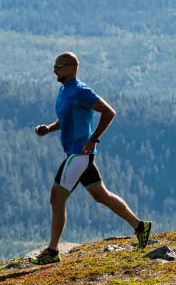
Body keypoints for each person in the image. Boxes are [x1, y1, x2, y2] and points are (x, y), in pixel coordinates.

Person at [29, 52, 152, 265]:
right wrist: (48, 129)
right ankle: (140, 226)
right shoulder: (64, 90)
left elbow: (109, 112)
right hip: (78, 155)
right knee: (100, 195)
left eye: (58, 67)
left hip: (79, 154)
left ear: (71, 68)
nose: (54, 70)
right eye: (55, 66)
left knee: (56, 198)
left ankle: (52, 251)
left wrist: (94, 138)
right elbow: (65, 119)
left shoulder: (80, 91)